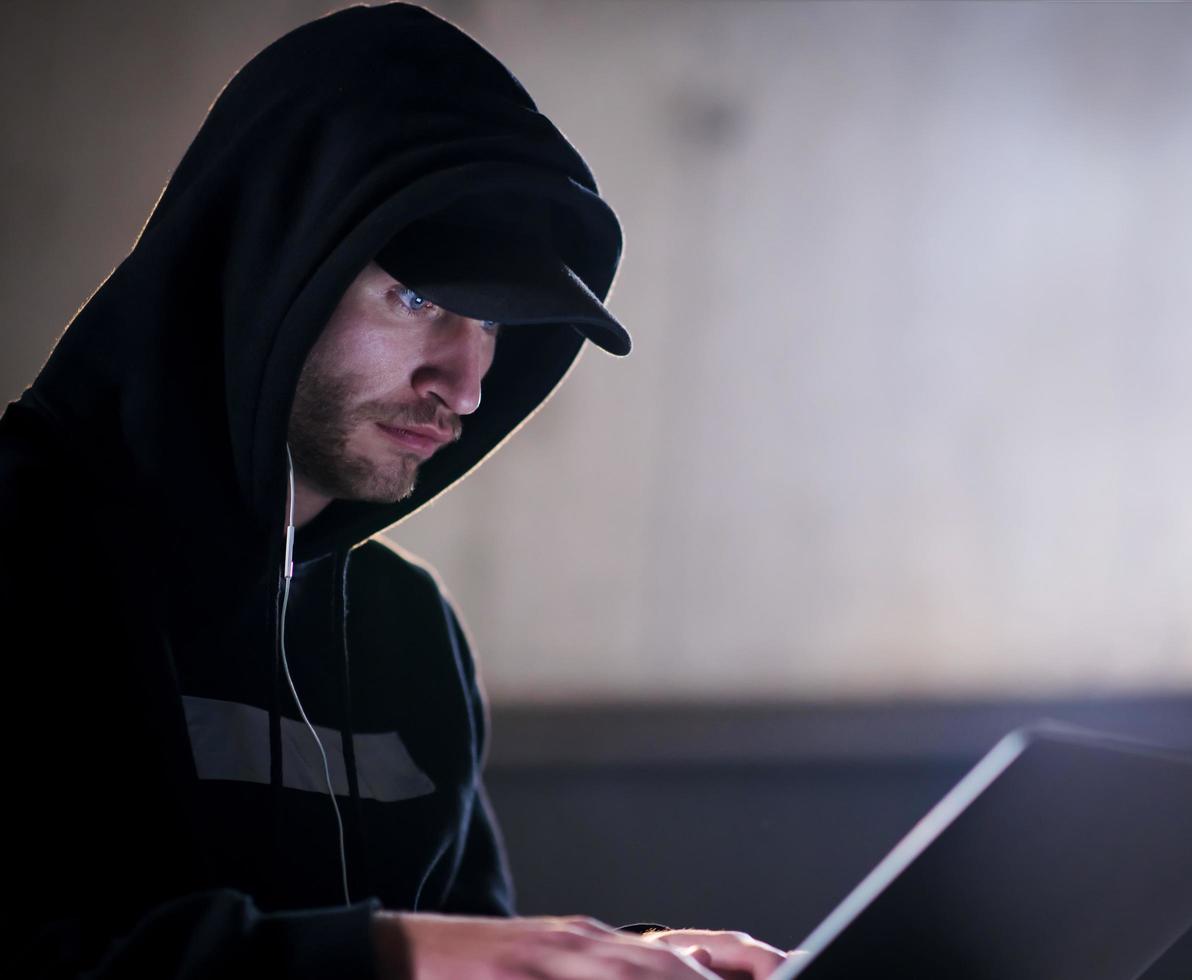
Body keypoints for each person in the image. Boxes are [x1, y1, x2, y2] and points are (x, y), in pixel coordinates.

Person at [1, 5, 786, 978]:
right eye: (420, 300)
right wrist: (389, 951)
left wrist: (608, 964)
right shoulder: (21, 544)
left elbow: (458, 942)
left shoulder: (405, 630)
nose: (465, 384)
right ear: (269, 258)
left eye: (498, 328)